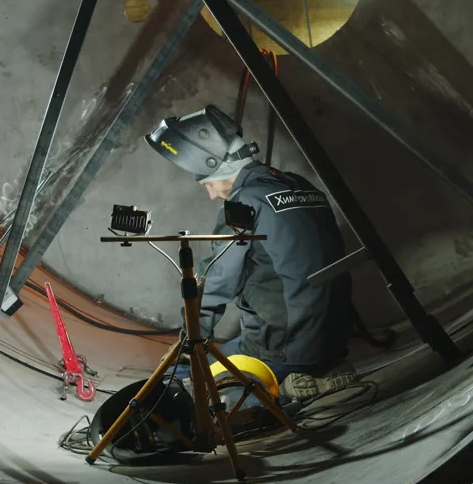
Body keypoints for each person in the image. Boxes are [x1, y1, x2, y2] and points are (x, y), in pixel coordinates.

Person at [145, 105, 355, 400]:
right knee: (235, 346)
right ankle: (320, 369)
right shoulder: (299, 185)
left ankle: (278, 393)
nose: (211, 194)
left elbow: (217, 279)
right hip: (333, 337)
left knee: (179, 379)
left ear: (220, 168)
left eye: (208, 182)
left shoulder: (243, 204)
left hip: (284, 346)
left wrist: (189, 340)